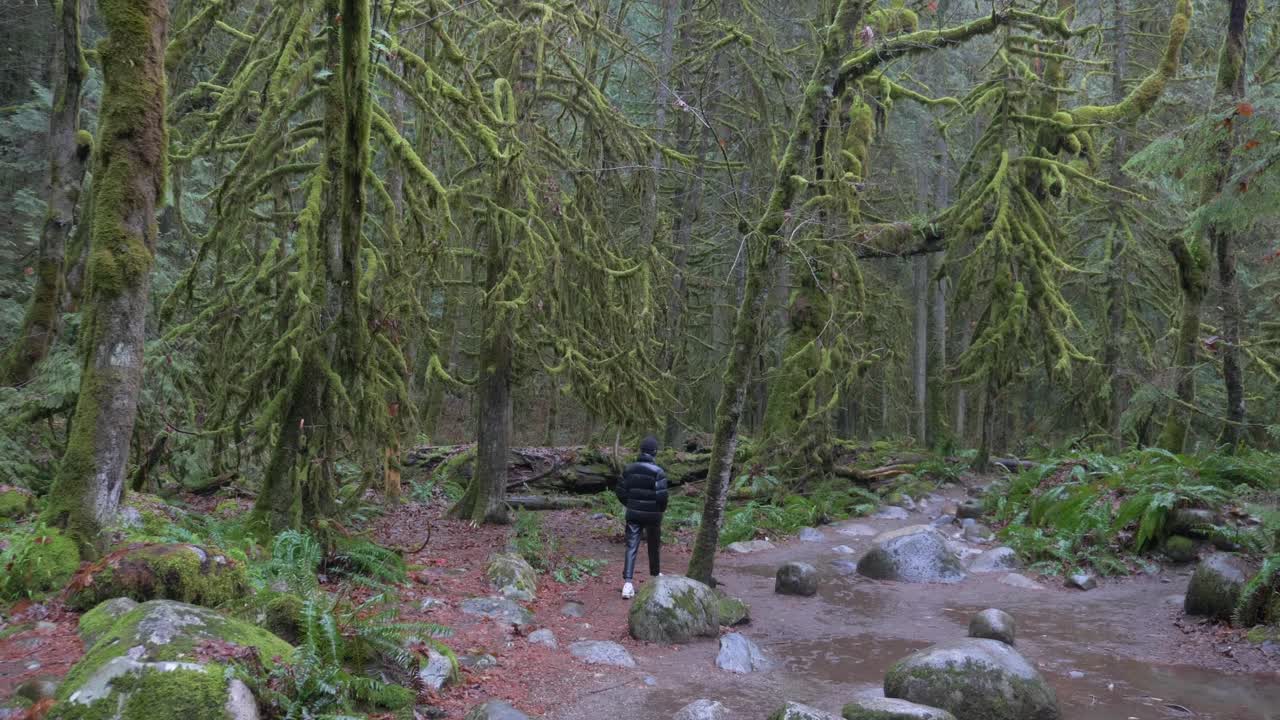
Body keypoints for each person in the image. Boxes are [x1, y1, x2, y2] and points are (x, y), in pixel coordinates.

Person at [615, 436, 668, 599]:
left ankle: (628, 583)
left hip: (633, 513)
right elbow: (662, 497)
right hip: (653, 515)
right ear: (654, 452)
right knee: (654, 546)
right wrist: (659, 510)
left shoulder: (629, 469)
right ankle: (655, 576)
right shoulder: (658, 472)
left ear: (641, 451)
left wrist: (630, 504)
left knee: (631, 546)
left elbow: (620, 491)